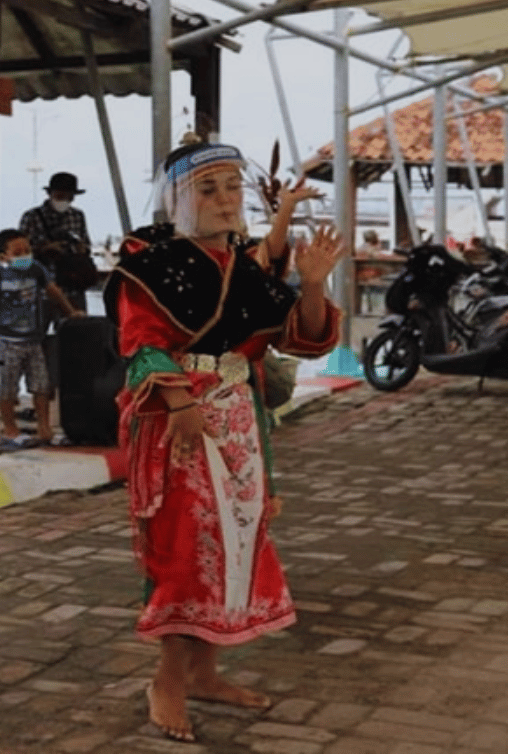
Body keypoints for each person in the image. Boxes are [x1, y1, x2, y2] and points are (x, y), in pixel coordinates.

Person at [105, 141, 343, 743]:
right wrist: (181, 401)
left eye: (231, 188)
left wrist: (313, 285)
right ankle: (168, 681)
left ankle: (206, 673)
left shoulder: (245, 265)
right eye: (207, 189)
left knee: (235, 544)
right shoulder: (151, 260)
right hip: (178, 423)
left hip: (238, 421)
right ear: (176, 198)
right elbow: (139, 340)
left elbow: (299, 335)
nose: (223, 200)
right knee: (188, 549)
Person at [0, 228, 84, 449]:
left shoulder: (35, 269)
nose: (24, 255)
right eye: (17, 251)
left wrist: (70, 311)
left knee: (41, 385)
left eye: (27, 250)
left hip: (34, 338)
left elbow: (53, 290)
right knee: (8, 387)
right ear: (3, 255)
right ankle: (10, 429)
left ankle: (45, 428)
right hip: (7, 340)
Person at [18, 171, 93, 319]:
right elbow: (18, 254)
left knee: (76, 333)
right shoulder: (32, 217)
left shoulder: (77, 216)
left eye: (69, 196)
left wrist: (80, 250)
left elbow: (86, 246)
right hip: (40, 290)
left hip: (72, 285)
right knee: (36, 335)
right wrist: (44, 249)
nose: (64, 200)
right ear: (50, 194)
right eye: (60, 195)